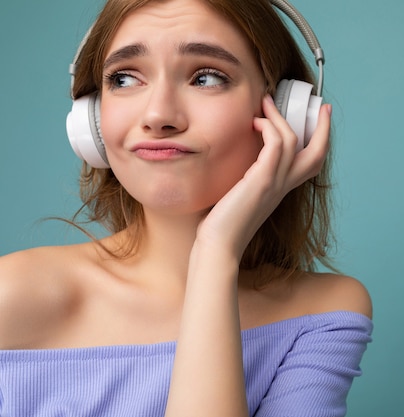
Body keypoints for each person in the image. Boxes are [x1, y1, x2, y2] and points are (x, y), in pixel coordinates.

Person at [0, 0, 372, 416]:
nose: (158, 115)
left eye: (207, 77)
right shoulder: (11, 296)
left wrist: (216, 251)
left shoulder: (325, 314)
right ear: (91, 120)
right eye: (123, 78)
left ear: (287, 111)